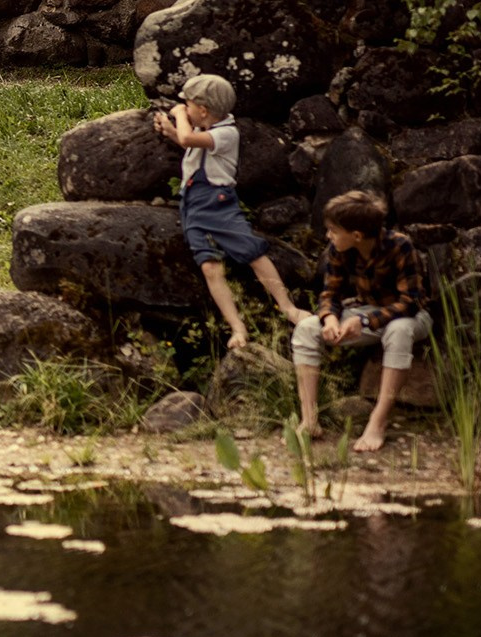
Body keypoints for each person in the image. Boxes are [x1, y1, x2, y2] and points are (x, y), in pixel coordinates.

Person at [152, 73, 308, 351]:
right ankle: (237, 327)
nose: (183, 109)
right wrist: (170, 131)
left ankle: (287, 307)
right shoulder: (204, 131)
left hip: (217, 200)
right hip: (194, 204)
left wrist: (177, 115)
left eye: (187, 105)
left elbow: (188, 140)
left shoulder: (226, 133)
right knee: (210, 266)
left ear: (202, 110)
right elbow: (188, 144)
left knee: (252, 252)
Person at [293, 190, 429, 453]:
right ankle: (309, 420)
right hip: (365, 312)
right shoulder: (339, 249)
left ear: (356, 235)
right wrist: (331, 319)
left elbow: (411, 302)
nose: (328, 235)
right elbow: (330, 293)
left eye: (333, 230)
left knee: (399, 331)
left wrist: (365, 320)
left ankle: (377, 422)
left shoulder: (400, 245)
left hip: (409, 316)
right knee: (307, 328)